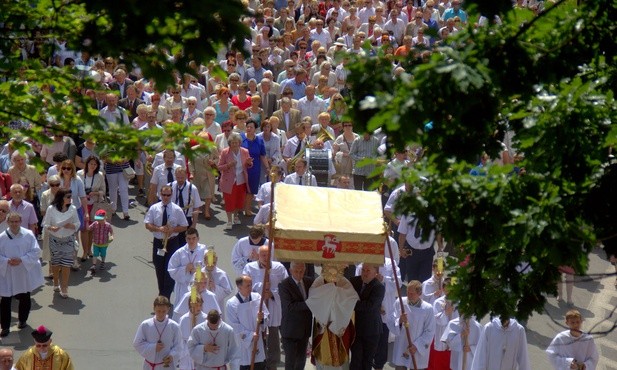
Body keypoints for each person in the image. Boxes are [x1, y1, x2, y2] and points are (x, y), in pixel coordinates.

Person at [242, 245, 289, 370]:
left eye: (267, 254)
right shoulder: (249, 268)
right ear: (258, 255)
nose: (265, 257)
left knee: (273, 339)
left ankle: (272, 364)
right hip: (257, 309)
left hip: (273, 307)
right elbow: (244, 288)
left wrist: (272, 294)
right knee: (258, 338)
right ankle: (258, 364)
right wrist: (261, 289)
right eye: (262, 254)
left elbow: (286, 288)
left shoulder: (279, 268)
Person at [306, 264, 359, 370]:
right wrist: (329, 292)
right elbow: (312, 297)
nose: (332, 276)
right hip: (323, 323)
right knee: (323, 352)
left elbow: (352, 298)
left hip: (339, 322)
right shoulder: (319, 281)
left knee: (338, 356)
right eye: (329, 273)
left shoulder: (344, 281)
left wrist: (336, 292)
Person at [0, 212, 44, 337]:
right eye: (11, 222)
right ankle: (5, 327)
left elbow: (35, 251)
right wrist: (6, 261)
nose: (14, 224)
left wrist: (21, 260)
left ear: (20, 221)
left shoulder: (28, 235)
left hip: (23, 271)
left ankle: (22, 320)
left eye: (16, 221)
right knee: (5, 300)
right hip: (7, 271)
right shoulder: (2, 237)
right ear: (7, 222)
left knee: (25, 296)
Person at [144, 185, 189, 299]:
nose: (166, 197)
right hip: (159, 242)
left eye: (168, 195)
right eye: (164, 195)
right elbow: (147, 224)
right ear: (160, 194)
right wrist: (159, 229)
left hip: (172, 241)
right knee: (159, 267)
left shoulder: (177, 209)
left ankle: (165, 296)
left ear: (171, 195)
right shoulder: (154, 208)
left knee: (170, 268)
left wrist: (172, 229)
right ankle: (162, 292)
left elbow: (184, 226)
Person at [388, 280, 436, 370]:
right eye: (408, 292)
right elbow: (390, 319)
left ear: (420, 293)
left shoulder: (427, 308)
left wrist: (417, 346)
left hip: (417, 349)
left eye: (412, 293)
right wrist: (399, 321)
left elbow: (430, 331)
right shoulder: (400, 302)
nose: (409, 296)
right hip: (402, 345)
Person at [42, 188, 80, 299]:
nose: (70, 199)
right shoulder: (51, 209)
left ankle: (64, 287)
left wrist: (71, 226)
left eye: (70, 196)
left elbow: (77, 223)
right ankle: (55, 283)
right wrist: (51, 228)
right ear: (61, 198)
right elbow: (45, 224)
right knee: (56, 263)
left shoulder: (72, 208)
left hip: (68, 239)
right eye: (68, 197)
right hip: (55, 239)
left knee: (66, 264)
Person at [226, 275, 268, 370]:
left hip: (258, 342)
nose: (250, 288)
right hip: (243, 344)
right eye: (247, 286)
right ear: (239, 287)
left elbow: (265, 315)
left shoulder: (257, 297)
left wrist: (261, 319)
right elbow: (234, 325)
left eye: (251, 285)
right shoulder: (232, 303)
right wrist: (250, 336)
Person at [279, 262, 315, 370]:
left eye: (301, 271)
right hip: (290, 330)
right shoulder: (284, 285)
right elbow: (289, 307)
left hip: (304, 330)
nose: (299, 274)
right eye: (296, 271)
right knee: (291, 361)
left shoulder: (309, 282)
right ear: (290, 271)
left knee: (301, 360)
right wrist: (310, 303)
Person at [349, 264, 385, 370]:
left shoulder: (379, 287)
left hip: (371, 330)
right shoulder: (354, 281)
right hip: (356, 328)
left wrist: (350, 303)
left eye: (368, 270)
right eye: (363, 270)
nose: (364, 273)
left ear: (375, 273)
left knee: (367, 360)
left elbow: (370, 305)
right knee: (356, 358)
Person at [133, 296, 184, 370]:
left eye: (164, 311)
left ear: (168, 310)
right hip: (150, 366)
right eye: (158, 311)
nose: (161, 314)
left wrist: (172, 355)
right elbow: (137, 343)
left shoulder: (174, 326)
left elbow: (179, 345)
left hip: (167, 366)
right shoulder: (146, 325)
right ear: (154, 309)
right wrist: (153, 347)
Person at [218, 132, 253, 229]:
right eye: (232, 143)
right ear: (229, 143)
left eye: (236, 142)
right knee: (229, 201)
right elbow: (219, 167)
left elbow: (248, 165)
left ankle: (236, 216)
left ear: (239, 143)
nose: (235, 144)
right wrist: (229, 165)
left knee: (239, 201)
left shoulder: (245, 151)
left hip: (241, 180)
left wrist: (249, 163)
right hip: (228, 181)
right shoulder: (225, 152)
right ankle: (229, 220)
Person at [168, 227, 207, 309]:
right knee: (183, 310)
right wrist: (185, 269)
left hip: (199, 286)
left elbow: (210, 268)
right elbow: (171, 269)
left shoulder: (204, 251)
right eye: (189, 239)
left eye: (194, 238)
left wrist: (198, 271)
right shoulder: (179, 252)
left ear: (198, 238)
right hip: (183, 286)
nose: (191, 241)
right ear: (185, 239)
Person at [76, 155, 106, 261]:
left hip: (94, 204)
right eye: (91, 163)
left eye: (95, 164)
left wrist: (95, 193)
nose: (92, 166)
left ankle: (89, 250)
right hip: (81, 204)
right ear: (86, 164)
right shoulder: (79, 174)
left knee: (91, 229)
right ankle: (84, 252)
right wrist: (83, 194)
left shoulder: (100, 175)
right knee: (84, 229)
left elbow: (103, 191)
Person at [241, 119, 269, 216]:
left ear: (255, 129)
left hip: (254, 169)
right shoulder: (240, 138)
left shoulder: (259, 140)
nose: (249, 128)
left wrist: (267, 168)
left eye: (251, 127)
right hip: (242, 168)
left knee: (251, 190)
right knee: (241, 189)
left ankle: (247, 209)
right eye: (247, 126)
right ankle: (239, 208)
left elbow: (262, 155)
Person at [86, 210, 113, 275]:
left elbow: (111, 232)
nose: (99, 221)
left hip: (104, 244)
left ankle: (103, 262)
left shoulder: (108, 225)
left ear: (105, 217)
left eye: (100, 219)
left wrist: (112, 236)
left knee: (103, 254)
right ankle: (94, 265)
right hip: (96, 243)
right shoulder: (95, 223)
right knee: (95, 254)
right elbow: (88, 228)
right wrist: (87, 221)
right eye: (97, 219)